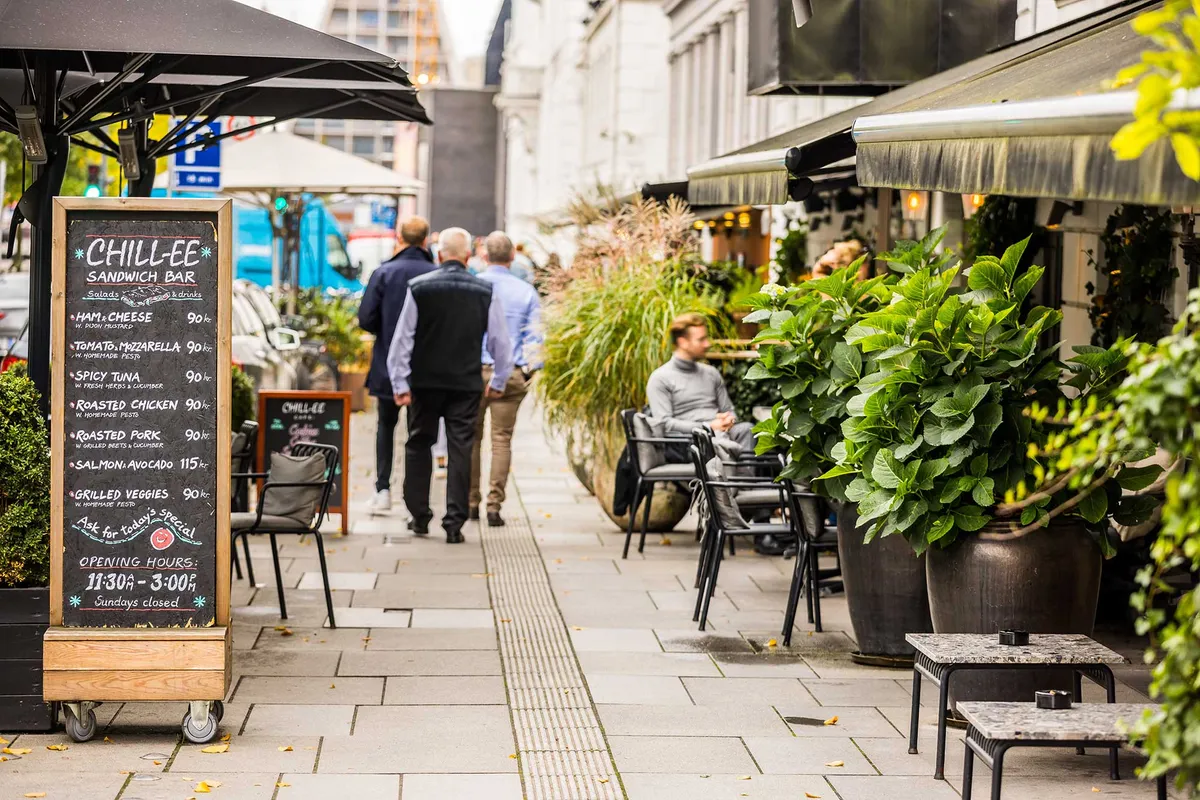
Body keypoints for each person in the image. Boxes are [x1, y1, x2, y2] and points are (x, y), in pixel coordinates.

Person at [387, 227, 515, 543]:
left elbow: (403, 339)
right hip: (465, 383)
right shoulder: (484, 291)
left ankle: (418, 516)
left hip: (425, 382)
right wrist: (498, 380)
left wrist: (400, 382)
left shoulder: (419, 288)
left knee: (418, 443)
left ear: (439, 254)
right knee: (461, 448)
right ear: (469, 256)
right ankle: (454, 523)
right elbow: (501, 342)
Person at [358, 216, 435, 516]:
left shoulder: (383, 273)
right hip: (426, 370)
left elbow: (365, 319)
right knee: (420, 435)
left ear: (400, 239)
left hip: (386, 367)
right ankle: (415, 498)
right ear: (426, 240)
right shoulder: (435, 273)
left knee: (385, 428)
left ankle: (383, 489)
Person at [470, 231, 543, 527]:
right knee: (502, 440)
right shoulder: (526, 291)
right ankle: (494, 506)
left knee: (470, 438)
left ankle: (470, 502)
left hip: (472, 373)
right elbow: (536, 337)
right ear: (513, 257)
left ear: (484, 256)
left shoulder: (473, 286)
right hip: (510, 372)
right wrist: (528, 370)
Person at [646, 312, 755, 453]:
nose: (707, 344)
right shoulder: (660, 378)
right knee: (715, 441)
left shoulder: (711, 373)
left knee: (746, 429)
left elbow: (729, 410)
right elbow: (664, 424)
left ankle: (742, 474)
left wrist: (728, 420)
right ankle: (727, 453)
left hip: (719, 432)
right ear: (682, 342)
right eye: (701, 339)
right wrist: (708, 426)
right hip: (688, 442)